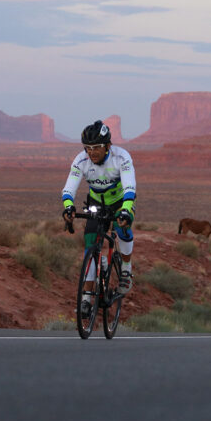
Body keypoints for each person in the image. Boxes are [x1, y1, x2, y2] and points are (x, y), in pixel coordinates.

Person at [61, 120, 136, 316]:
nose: (92, 152)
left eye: (96, 148)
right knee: (90, 245)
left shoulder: (122, 158)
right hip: (96, 203)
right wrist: (68, 207)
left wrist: (126, 210)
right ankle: (86, 298)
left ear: (108, 146)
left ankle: (126, 268)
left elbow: (129, 187)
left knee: (122, 229)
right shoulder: (81, 160)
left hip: (121, 202)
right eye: (88, 148)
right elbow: (69, 188)